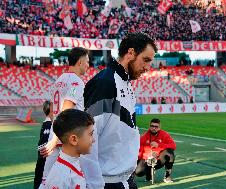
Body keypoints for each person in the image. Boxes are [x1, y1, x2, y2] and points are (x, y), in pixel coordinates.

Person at [81, 32, 157, 189]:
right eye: (146, 60)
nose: (148, 67)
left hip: (125, 178)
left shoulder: (125, 82)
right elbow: (87, 137)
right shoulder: (106, 82)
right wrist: (94, 184)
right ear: (130, 53)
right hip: (106, 182)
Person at [39, 47, 89, 187]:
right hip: (69, 139)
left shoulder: (59, 80)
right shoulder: (76, 82)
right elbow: (67, 108)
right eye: (87, 61)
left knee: (47, 180)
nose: (88, 65)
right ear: (79, 62)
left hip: (56, 136)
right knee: (76, 181)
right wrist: (56, 138)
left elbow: (54, 110)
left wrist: (54, 137)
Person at [43, 109, 95, 189]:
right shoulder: (60, 177)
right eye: (90, 134)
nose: (94, 140)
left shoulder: (73, 163)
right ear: (74, 140)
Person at [135, 118, 176, 183]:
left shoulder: (164, 134)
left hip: (159, 159)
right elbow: (139, 151)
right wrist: (147, 156)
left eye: (156, 127)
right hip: (147, 159)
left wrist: (159, 145)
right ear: (149, 126)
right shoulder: (144, 137)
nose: (154, 128)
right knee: (138, 172)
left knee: (170, 153)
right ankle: (149, 174)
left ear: (159, 127)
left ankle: (167, 177)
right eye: (152, 126)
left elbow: (173, 145)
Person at [33, 101, 53, 189]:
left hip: (43, 158)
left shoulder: (46, 123)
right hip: (44, 158)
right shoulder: (49, 124)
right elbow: (44, 145)